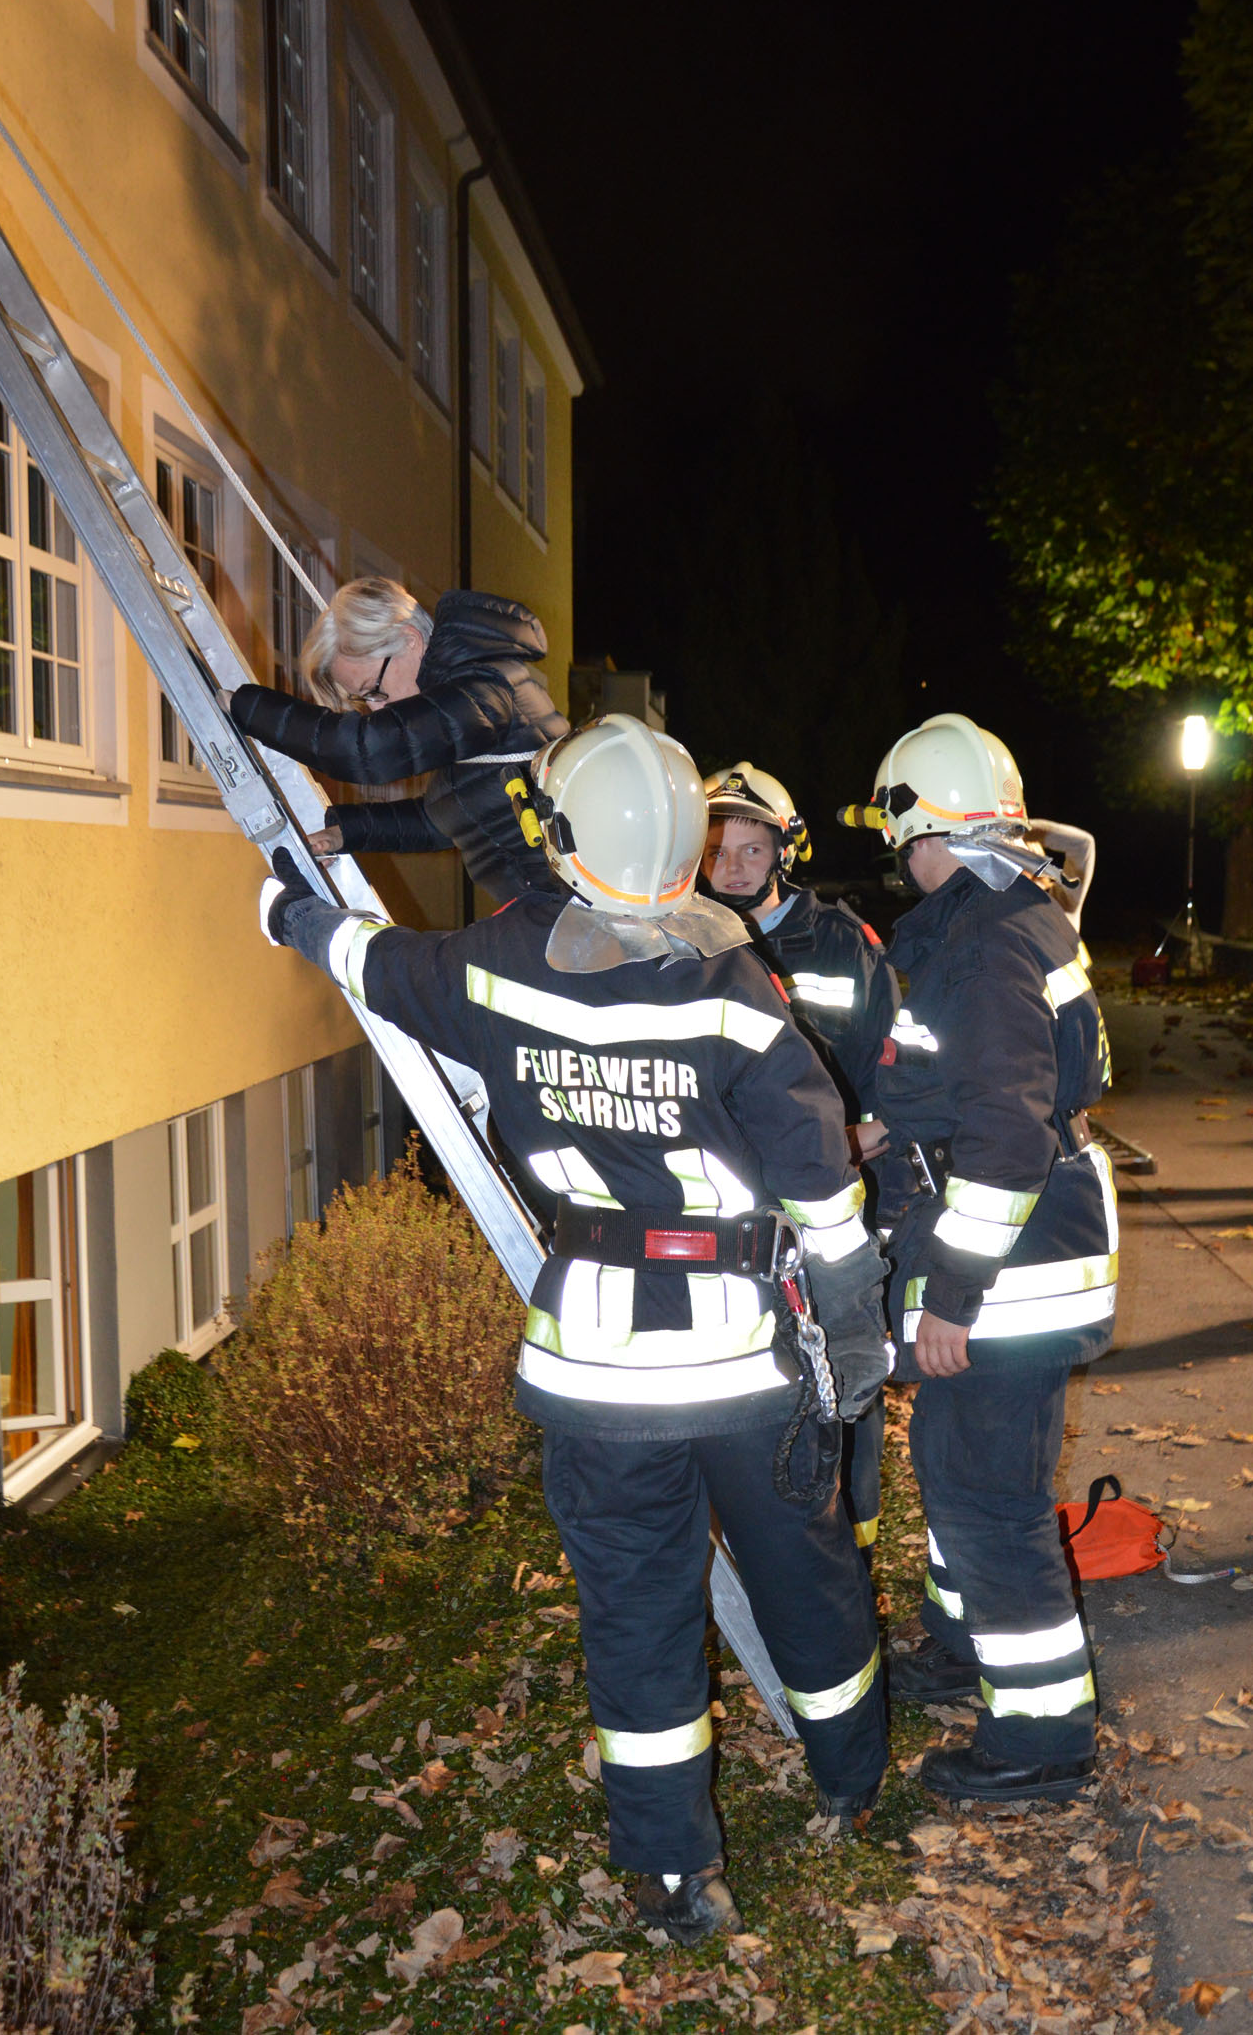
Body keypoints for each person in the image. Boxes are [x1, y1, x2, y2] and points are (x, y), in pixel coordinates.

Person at [261, 713, 892, 1944]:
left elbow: (375, 960)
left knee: (636, 1614)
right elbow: (822, 1190)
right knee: (805, 1575)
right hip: (745, 1359)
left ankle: (675, 1876)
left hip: (596, 1370)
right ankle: (849, 1781)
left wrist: (287, 910)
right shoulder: (735, 988)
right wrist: (855, 1332)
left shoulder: (496, 963)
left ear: (566, 835)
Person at [840, 712, 1118, 1804]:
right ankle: (966, 1651)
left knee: (989, 1498)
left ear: (927, 827)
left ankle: (1042, 1739)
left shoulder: (988, 942)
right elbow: (980, 1085)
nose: (898, 857)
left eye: (901, 833)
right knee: (961, 1469)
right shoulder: (1008, 916)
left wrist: (953, 1294)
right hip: (1029, 1248)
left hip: (1009, 1267)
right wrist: (883, 1129)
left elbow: (1004, 1139)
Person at [700, 763, 900, 1566]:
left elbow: (899, 1079)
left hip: (828, 1199)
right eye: (716, 850)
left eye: (751, 849)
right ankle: (767, 1546)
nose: (732, 867)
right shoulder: (687, 940)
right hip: (730, 1210)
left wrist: (847, 1146)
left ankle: (853, 1547)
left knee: (845, 1374)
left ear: (787, 852)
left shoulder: (845, 944)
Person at [228, 576, 568, 905]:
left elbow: (365, 750)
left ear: (409, 641)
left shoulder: (482, 691)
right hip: (554, 904)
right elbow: (447, 816)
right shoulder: (465, 692)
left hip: (569, 905)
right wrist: (344, 832)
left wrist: (245, 708)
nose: (376, 709)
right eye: (365, 700)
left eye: (373, 690)